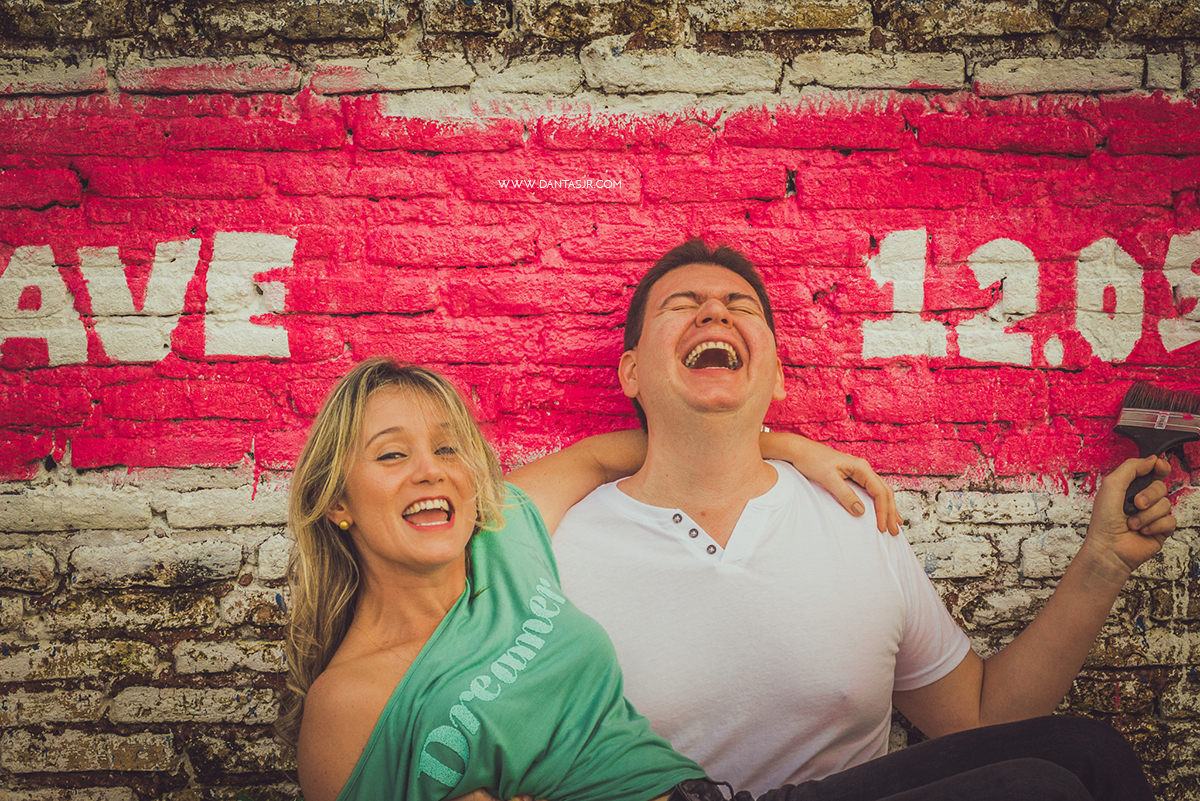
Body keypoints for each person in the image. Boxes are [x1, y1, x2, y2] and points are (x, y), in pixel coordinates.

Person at [279, 358, 1161, 801]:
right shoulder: (350, 702)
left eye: (447, 449)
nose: (432, 473)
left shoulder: (505, 532)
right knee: (1037, 792)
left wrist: (789, 446)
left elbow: (620, 449)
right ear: (340, 503)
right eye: (392, 456)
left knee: (1087, 750)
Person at [551, 239, 1178, 796]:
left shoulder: (854, 513)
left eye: (741, 308)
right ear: (631, 371)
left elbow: (980, 721)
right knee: (1040, 788)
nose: (714, 313)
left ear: (776, 379)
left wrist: (1103, 562)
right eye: (681, 304)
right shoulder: (559, 541)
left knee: (1091, 753)